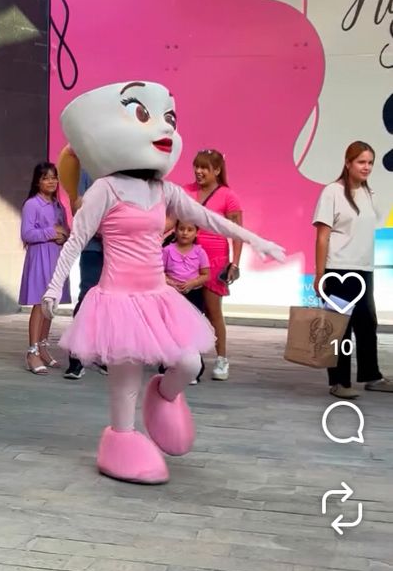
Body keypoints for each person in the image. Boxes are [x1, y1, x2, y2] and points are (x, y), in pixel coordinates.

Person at [41, 81, 284, 485]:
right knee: (126, 378)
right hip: (118, 299)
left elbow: (210, 219)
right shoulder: (105, 189)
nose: (165, 128)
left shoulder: (163, 190)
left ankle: (165, 395)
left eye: (169, 119)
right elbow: (77, 239)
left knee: (189, 362)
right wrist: (53, 289)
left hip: (156, 296)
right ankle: (121, 437)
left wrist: (256, 241)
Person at [312, 140, 393, 397]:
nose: (366, 167)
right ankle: (339, 381)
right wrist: (320, 274)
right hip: (338, 269)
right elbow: (322, 236)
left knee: (367, 324)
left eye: (370, 162)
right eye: (361, 162)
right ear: (348, 163)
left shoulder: (370, 195)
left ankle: (372, 376)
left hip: (363, 269)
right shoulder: (332, 192)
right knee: (339, 328)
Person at [183, 150, 243, 381]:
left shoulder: (228, 196)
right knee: (187, 309)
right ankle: (187, 358)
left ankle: (221, 359)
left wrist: (234, 264)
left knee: (212, 310)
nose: (198, 171)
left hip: (215, 259)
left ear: (217, 171)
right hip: (186, 256)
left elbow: (238, 233)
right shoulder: (186, 191)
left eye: (204, 168)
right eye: (196, 166)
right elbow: (174, 219)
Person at [19, 162, 70, 373]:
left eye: (54, 177)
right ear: (37, 181)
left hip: (56, 258)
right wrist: (51, 232)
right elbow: (27, 234)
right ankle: (32, 352)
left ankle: (43, 347)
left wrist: (63, 237)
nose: (51, 181)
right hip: (39, 256)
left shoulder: (59, 206)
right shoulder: (32, 204)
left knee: (50, 305)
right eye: (46, 178)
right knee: (39, 305)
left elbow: (66, 230)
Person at [63, 164, 106, 381]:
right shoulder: (87, 169)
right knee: (87, 297)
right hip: (93, 247)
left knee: (114, 302)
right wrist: (97, 228)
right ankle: (77, 358)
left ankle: (105, 354)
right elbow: (77, 205)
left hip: (119, 249)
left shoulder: (126, 172)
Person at [161, 220, 210, 382]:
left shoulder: (200, 252)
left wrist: (192, 283)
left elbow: (206, 275)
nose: (185, 233)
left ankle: (192, 369)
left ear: (196, 233)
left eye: (190, 230)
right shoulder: (167, 251)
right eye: (181, 229)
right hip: (172, 295)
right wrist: (171, 283)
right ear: (175, 230)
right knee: (172, 330)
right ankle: (170, 366)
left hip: (193, 295)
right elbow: (159, 272)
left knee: (190, 332)